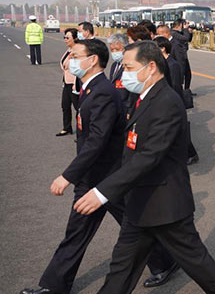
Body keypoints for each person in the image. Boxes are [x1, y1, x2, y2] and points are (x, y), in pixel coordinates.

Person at [71, 41, 215, 294]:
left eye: (128, 67)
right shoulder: (144, 96)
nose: (124, 73)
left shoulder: (166, 101)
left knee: (198, 264)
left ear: (150, 67)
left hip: (165, 204)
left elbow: (149, 157)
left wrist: (102, 192)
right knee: (122, 268)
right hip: (140, 202)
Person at [20, 39, 176, 294]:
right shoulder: (89, 89)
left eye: (75, 55)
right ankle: (54, 285)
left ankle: (165, 261)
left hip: (107, 178)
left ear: (92, 60)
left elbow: (96, 141)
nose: (70, 59)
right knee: (79, 231)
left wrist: (67, 176)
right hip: (93, 176)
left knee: (134, 224)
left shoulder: (103, 91)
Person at [156, 36, 200, 165]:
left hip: (173, 102)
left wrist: (171, 104)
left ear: (163, 48)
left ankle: (191, 154)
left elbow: (175, 86)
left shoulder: (172, 64)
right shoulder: (162, 63)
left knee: (180, 131)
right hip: (165, 101)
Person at [56, 28, 79, 137]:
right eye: (64, 37)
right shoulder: (68, 50)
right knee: (65, 106)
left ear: (75, 38)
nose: (65, 40)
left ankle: (81, 131)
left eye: (68, 38)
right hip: (66, 83)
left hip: (74, 84)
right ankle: (67, 127)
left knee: (78, 108)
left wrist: (76, 83)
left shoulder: (77, 52)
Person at [108, 33, 132, 111]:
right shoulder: (114, 65)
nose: (114, 52)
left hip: (125, 107)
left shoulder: (130, 66)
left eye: (117, 49)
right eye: (112, 50)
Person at [171, 19, 195, 94]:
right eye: (183, 24)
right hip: (177, 56)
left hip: (183, 55)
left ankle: (186, 91)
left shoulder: (180, 32)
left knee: (188, 74)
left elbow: (189, 39)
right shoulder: (173, 33)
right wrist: (185, 29)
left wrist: (190, 32)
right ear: (179, 25)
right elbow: (185, 38)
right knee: (180, 74)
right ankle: (179, 91)